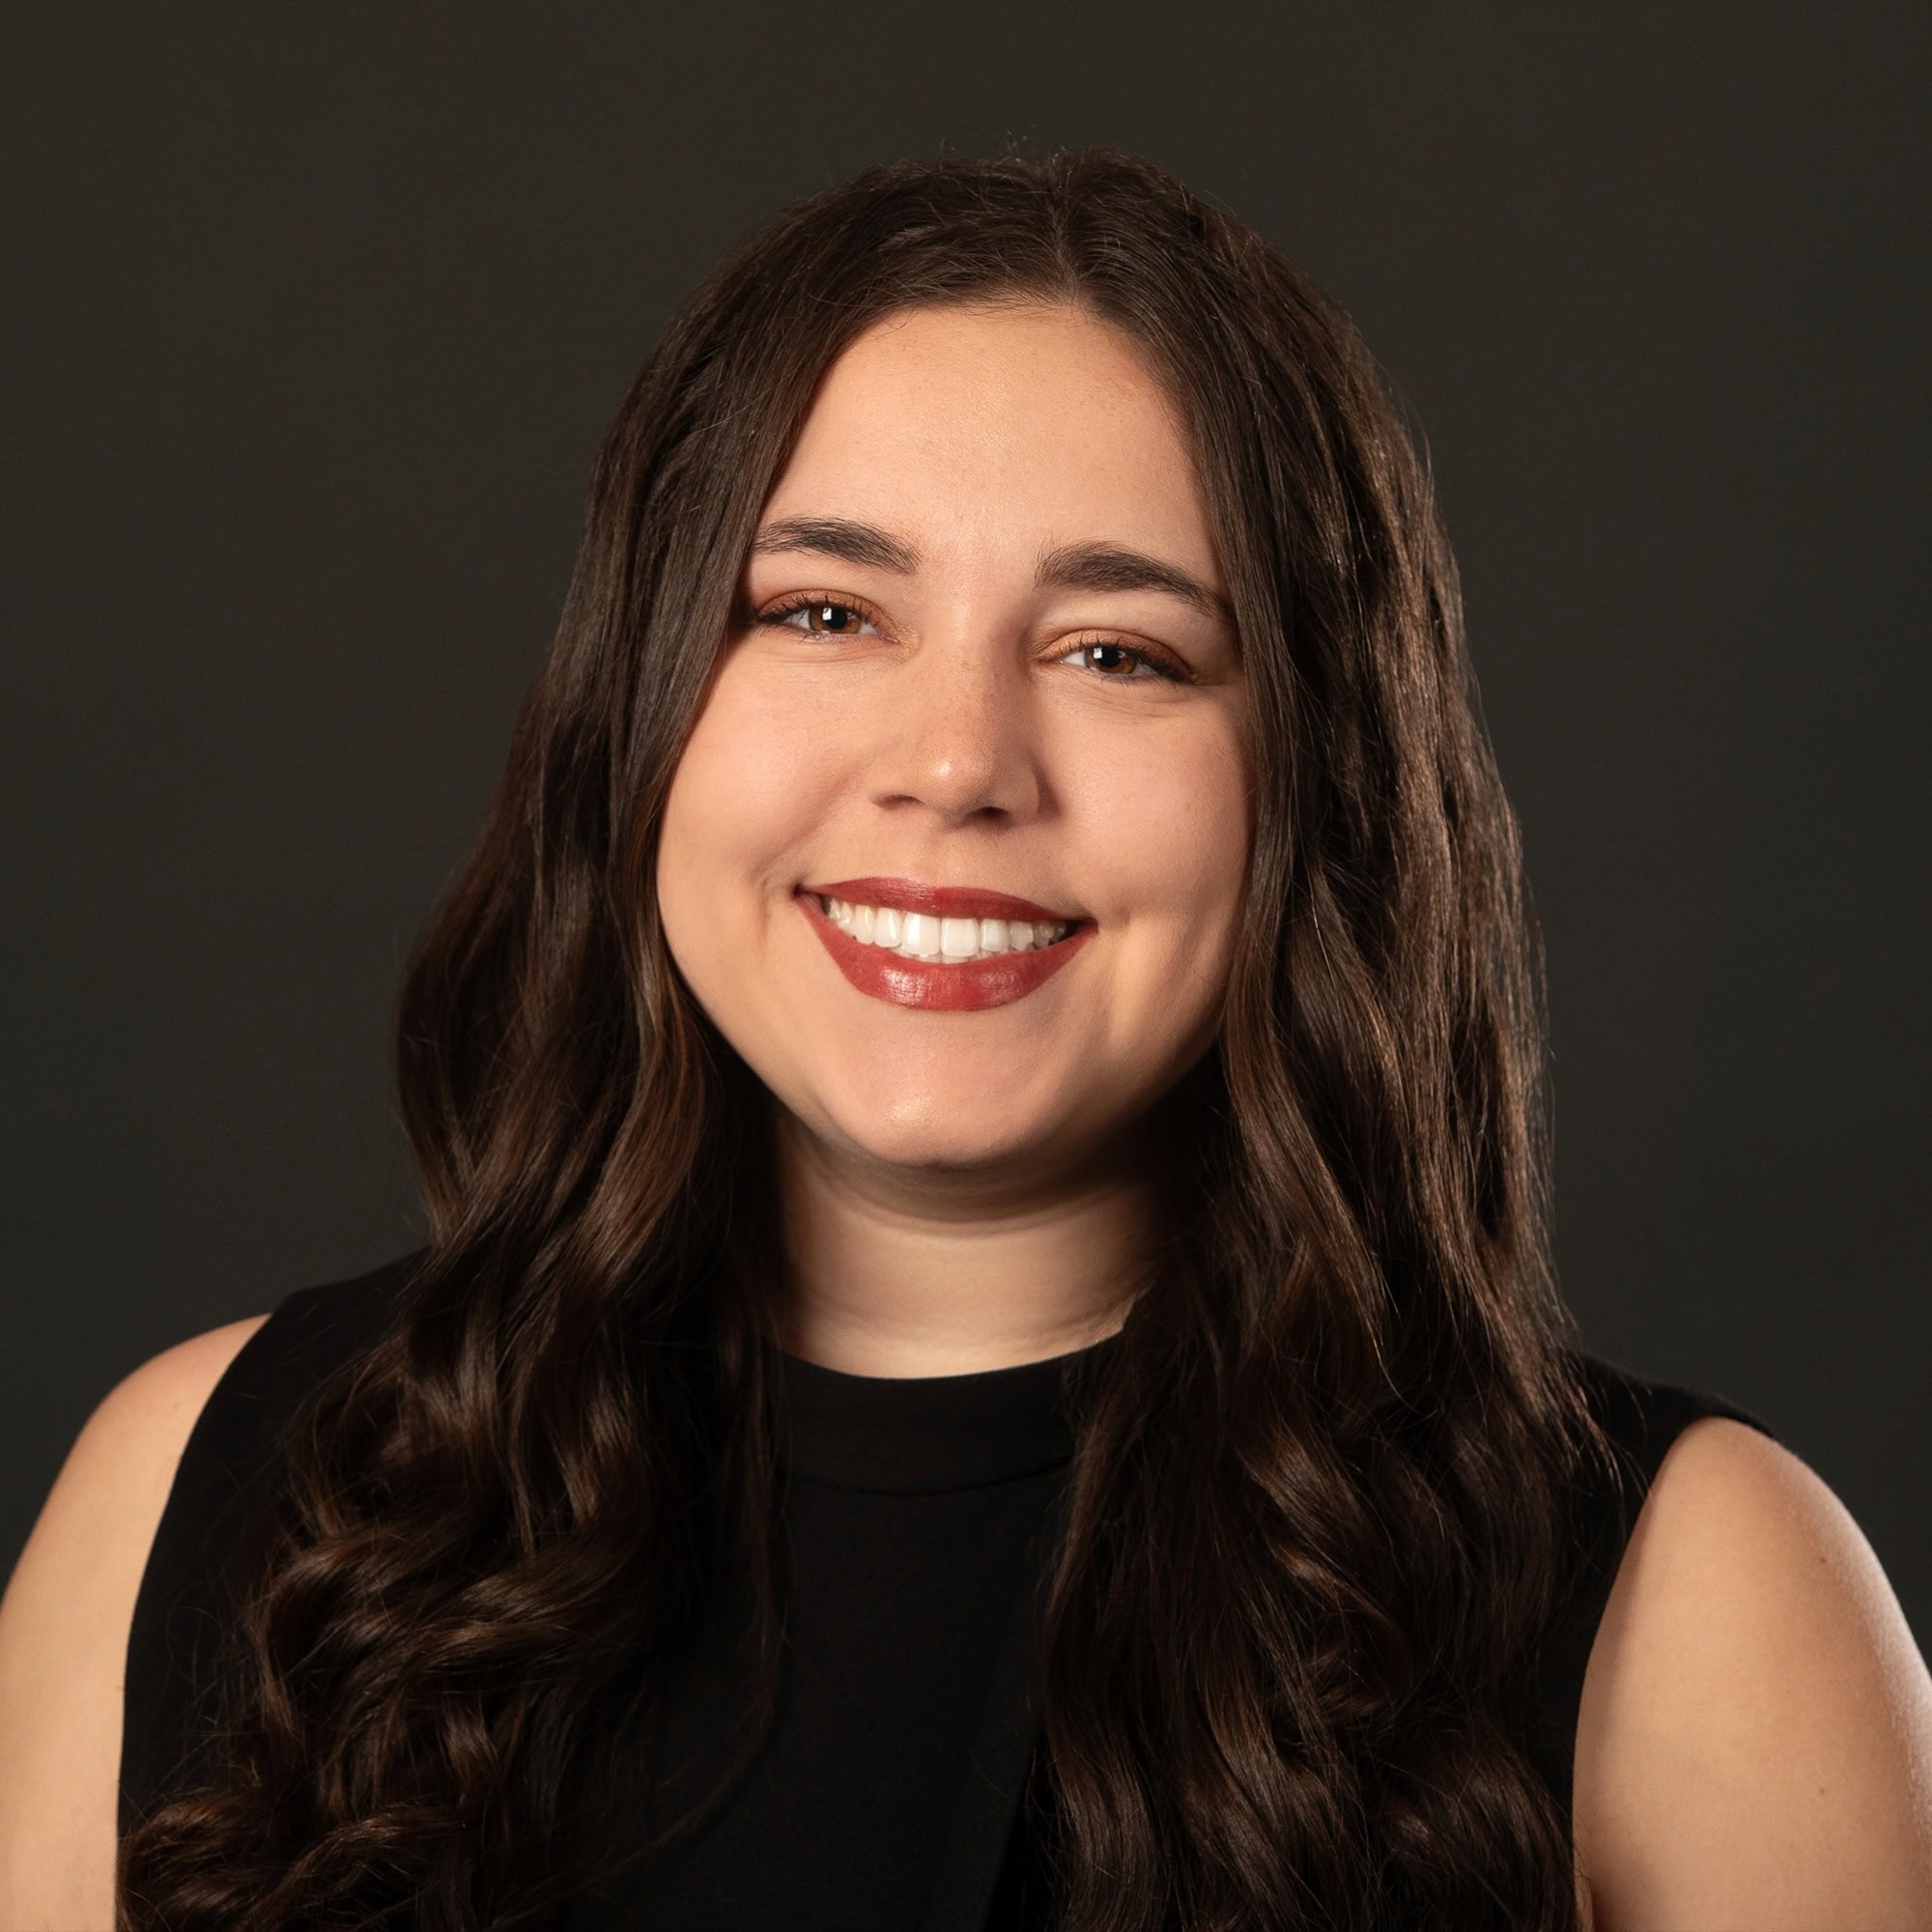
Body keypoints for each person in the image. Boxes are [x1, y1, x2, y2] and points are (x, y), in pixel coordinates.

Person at [2, 145, 1927, 1932]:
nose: (953, 764)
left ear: (1321, 781)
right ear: (641, 705)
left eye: (1116, 652)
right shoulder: (195, 1492)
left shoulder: (1696, 1603)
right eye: (826, 613)